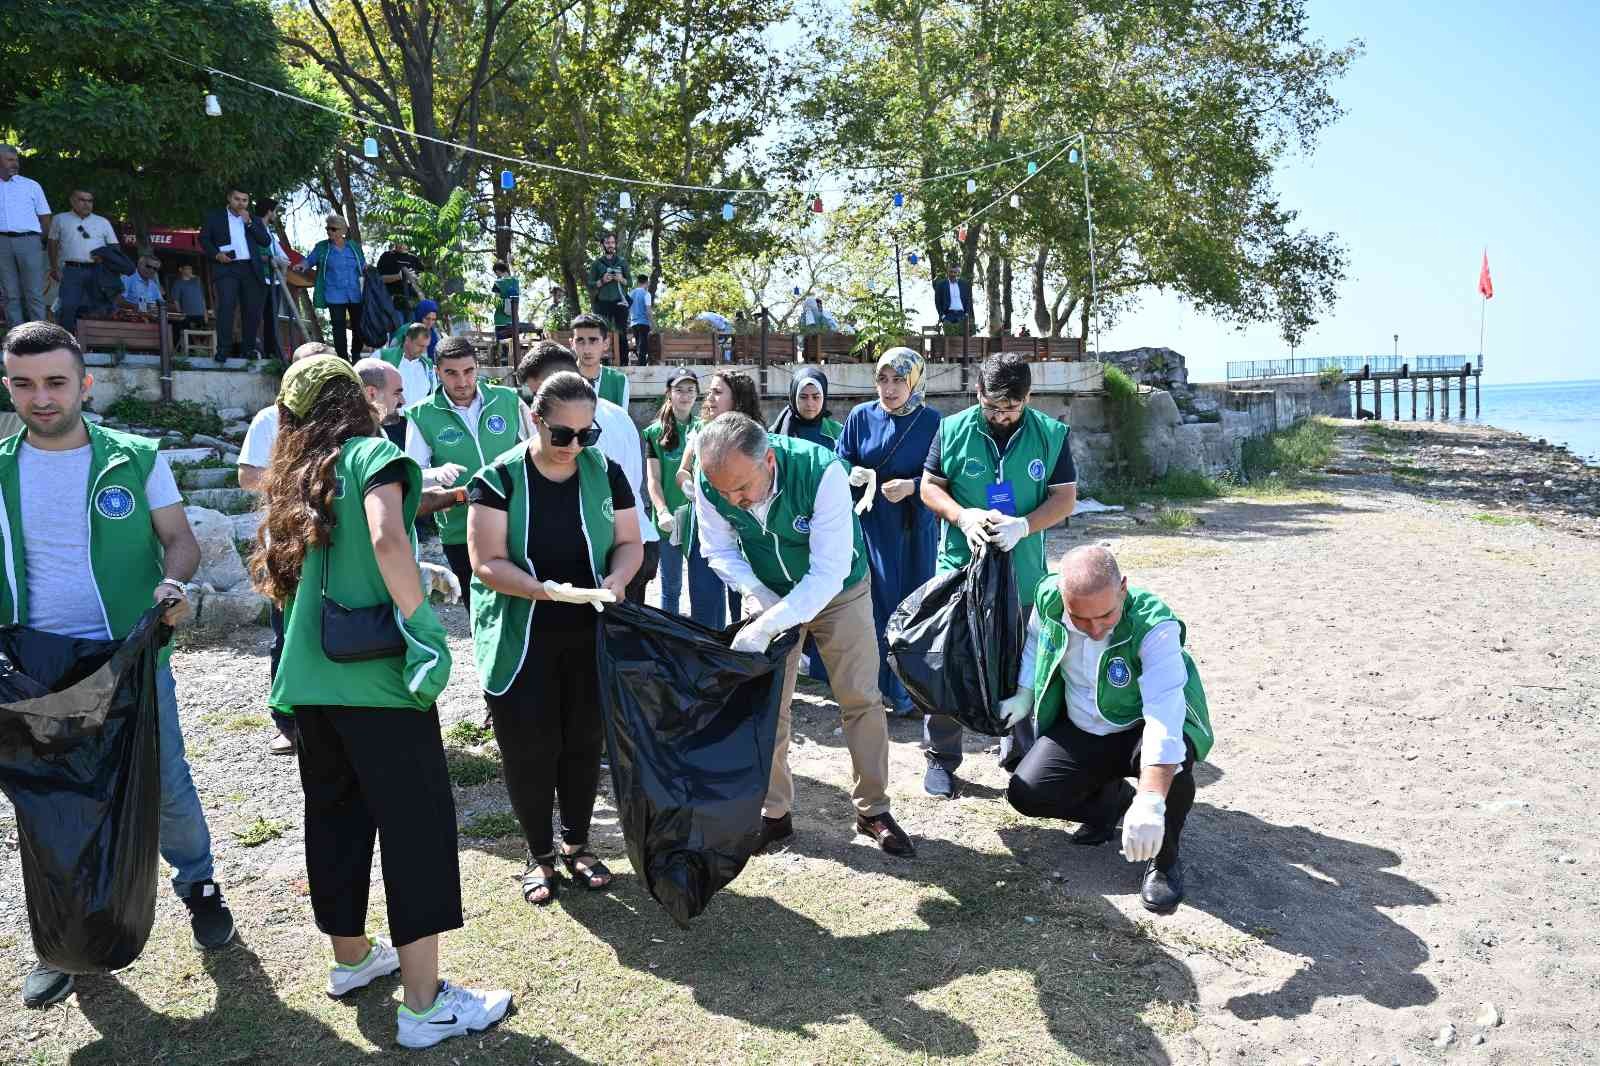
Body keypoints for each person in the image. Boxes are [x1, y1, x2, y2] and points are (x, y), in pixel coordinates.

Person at [251, 355, 511, 1047]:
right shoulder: (374, 452)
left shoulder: (298, 474)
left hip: (309, 683)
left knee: (334, 817)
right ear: (355, 401)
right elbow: (386, 536)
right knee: (416, 828)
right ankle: (425, 1006)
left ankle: (352, 959)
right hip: (377, 682)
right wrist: (423, 622)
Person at [1, 322, 235, 1009]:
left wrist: (175, 586)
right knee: (49, 806)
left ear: (85, 384)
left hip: (126, 659)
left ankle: (200, 887)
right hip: (35, 668)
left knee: (164, 783)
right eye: (23, 383)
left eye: (54, 382)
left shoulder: (133, 457)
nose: (40, 397)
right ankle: (65, 942)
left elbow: (179, 542)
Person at [695, 413, 915, 856]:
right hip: (767, 591)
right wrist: (758, 596)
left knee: (859, 697)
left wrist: (771, 624)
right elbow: (716, 548)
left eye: (741, 488)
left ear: (769, 460)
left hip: (839, 590)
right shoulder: (712, 481)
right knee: (768, 705)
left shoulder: (821, 471)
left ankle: (873, 809)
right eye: (723, 491)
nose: (734, 500)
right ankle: (774, 815)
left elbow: (827, 572)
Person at [467, 369, 642, 905]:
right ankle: (539, 853)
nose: (573, 446)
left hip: (588, 628)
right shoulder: (496, 479)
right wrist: (542, 590)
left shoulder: (605, 471)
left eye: (585, 435)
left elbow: (630, 542)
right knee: (529, 748)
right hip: (523, 632)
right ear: (534, 420)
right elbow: (485, 562)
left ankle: (578, 843)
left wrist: (617, 579)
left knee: (584, 742)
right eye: (561, 434)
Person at [1003, 547, 1214, 913]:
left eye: (1106, 615)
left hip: (1140, 726)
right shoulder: (1048, 596)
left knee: (1174, 766)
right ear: (1063, 598)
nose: (1096, 629)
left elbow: (1164, 714)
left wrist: (1149, 799)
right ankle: (1110, 805)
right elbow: (1037, 642)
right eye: (1081, 619)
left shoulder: (1154, 625)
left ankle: (1164, 861)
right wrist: (1024, 695)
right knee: (1027, 793)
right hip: (1084, 725)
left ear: (1123, 590)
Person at [918, 351, 1077, 796]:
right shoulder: (950, 430)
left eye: (1011, 408)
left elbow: (1064, 498)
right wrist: (961, 516)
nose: (1002, 416)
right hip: (960, 571)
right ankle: (940, 758)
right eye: (992, 407)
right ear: (978, 394)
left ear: (1028, 398)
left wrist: (1024, 525)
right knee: (948, 661)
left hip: (1022, 572)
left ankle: (1020, 753)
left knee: (1021, 660)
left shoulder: (1050, 434)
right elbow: (931, 487)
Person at [239, 342, 336, 755]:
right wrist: (301, 483)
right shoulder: (268, 420)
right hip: (286, 543)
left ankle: (333, 715)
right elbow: (247, 475)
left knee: (337, 626)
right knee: (286, 636)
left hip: (333, 543)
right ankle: (287, 722)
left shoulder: (341, 421)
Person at [836, 346, 941, 717]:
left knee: (915, 606)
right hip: (873, 526)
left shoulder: (932, 422)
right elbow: (842, 457)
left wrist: (913, 486)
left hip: (914, 528)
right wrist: (854, 473)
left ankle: (912, 693)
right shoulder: (860, 416)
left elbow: (945, 474)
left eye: (899, 379)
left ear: (914, 381)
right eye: (883, 378)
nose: (889, 388)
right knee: (874, 606)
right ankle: (879, 689)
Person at [513, 342, 658, 603]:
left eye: (540, 393)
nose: (537, 404)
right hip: (640, 540)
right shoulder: (617, 413)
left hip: (611, 553)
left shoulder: (573, 434)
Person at [404, 336, 526, 616]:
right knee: (481, 608)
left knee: (524, 601)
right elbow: (413, 476)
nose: (462, 381)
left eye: (469, 371)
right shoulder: (422, 414)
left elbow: (533, 451)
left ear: (477, 367)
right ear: (437, 372)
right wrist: (434, 474)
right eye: (451, 373)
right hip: (461, 528)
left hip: (517, 519)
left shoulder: (507, 400)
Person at [676, 370, 762, 629]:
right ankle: (710, 662)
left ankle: (744, 663)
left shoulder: (754, 435)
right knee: (705, 607)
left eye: (717, 392)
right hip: (704, 530)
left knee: (747, 606)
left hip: (746, 529)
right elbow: (682, 470)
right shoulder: (700, 431)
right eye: (710, 391)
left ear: (736, 400)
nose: (709, 397)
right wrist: (688, 485)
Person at [643, 368, 699, 615]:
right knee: (671, 587)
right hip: (670, 521)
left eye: (690, 390)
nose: (685, 396)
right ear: (669, 394)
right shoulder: (655, 433)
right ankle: (671, 639)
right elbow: (653, 480)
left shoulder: (704, 428)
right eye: (679, 390)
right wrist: (662, 511)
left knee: (703, 585)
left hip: (698, 520)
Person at [199, 187, 271, 359]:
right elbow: (204, 239)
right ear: (229, 199)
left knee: (252, 311)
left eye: (244, 200)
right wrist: (216, 254)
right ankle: (223, 350)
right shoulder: (215, 217)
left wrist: (250, 223)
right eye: (237, 199)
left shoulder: (253, 219)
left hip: (250, 269)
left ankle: (248, 350)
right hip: (226, 268)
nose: (241, 203)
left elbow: (265, 241)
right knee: (226, 308)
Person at [293, 214, 367, 361]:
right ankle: (343, 359)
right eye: (328, 229)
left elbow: (363, 265)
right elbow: (309, 260)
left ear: (343, 231)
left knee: (359, 327)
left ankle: (357, 355)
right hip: (334, 294)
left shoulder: (353, 247)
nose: (330, 232)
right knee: (338, 329)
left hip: (355, 293)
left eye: (333, 229)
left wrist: (371, 272)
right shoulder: (322, 247)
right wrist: (301, 266)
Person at [46, 189, 119, 333]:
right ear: (72, 201)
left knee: (99, 306)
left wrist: (106, 259)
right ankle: (66, 342)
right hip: (71, 269)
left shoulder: (102, 222)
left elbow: (114, 246)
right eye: (82, 200)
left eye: (90, 201)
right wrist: (54, 267)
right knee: (68, 306)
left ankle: (96, 345)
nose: (86, 204)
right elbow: (52, 243)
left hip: (98, 269)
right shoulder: (60, 219)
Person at [0, 145, 51, 326]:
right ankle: (17, 337)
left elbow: (45, 217)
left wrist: (39, 241)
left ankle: (38, 336)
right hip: (2, 243)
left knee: (34, 293)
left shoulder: (31, 185)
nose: (16, 164)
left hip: (29, 241)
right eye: (10, 160)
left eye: (16, 160)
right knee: (9, 294)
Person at [254, 198, 292, 361]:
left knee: (272, 319)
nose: (275, 214)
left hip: (275, 282)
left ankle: (271, 352)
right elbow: (258, 254)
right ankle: (253, 349)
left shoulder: (269, 232)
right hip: (261, 279)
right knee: (256, 316)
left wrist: (281, 263)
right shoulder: (255, 229)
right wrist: (275, 260)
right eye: (275, 211)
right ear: (269, 211)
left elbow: (283, 257)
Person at [769, 366, 842, 448]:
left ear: (824, 398)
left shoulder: (838, 432)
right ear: (793, 398)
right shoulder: (776, 433)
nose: (809, 404)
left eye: (816, 397)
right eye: (803, 397)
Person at [570, 312, 629, 408]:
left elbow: (621, 421)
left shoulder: (619, 381)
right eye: (580, 341)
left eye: (593, 341)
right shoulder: (561, 380)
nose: (587, 349)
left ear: (606, 344)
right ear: (572, 344)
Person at [379, 322, 437, 410]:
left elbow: (433, 395)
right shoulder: (382, 356)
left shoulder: (428, 365)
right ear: (407, 340)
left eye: (426, 346)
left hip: (417, 421)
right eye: (419, 345)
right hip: (390, 419)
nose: (423, 350)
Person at [354, 356, 409, 446]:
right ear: (371, 393)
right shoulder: (355, 442)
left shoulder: (377, 433)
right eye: (396, 393)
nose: (403, 401)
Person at [585, 233, 629, 337]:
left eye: (612, 242)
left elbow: (630, 282)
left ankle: (623, 354)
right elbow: (590, 285)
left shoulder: (622, 262)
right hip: (602, 303)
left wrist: (621, 279)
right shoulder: (596, 263)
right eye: (607, 242)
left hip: (620, 302)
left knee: (622, 334)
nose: (610, 245)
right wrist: (602, 280)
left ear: (615, 245)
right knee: (602, 333)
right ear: (602, 245)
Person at [376, 240, 424, 317]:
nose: (401, 244)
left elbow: (423, 281)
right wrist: (398, 277)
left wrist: (415, 278)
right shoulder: (386, 256)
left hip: (412, 304)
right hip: (392, 304)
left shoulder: (414, 259)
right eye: (399, 240)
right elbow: (378, 279)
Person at [170, 264, 207, 345]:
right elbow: (176, 300)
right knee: (189, 337)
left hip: (200, 314)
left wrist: (206, 314)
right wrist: (180, 313)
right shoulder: (178, 283)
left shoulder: (197, 281)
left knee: (203, 336)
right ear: (181, 269)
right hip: (187, 314)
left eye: (190, 269)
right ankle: (191, 352)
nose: (189, 271)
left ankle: (201, 352)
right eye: (187, 269)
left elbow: (202, 298)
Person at [933, 261, 973, 332]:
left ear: (958, 273)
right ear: (948, 272)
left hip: (962, 315)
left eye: (955, 272)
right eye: (951, 272)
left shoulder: (964, 284)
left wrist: (966, 313)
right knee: (948, 340)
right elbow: (937, 302)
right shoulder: (941, 285)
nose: (953, 274)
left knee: (962, 340)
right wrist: (942, 316)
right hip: (948, 315)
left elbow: (968, 300)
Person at [491, 260, 521, 341]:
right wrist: (509, 261)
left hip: (501, 321)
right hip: (514, 322)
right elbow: (513, 272)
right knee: (513, 348)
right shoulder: (515, 281)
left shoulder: (498, 283)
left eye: (495, 273)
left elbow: (497, 303)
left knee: (502, 349)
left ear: (497, 271)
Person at [626, 274, 652, 365]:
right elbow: (648, 311)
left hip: (634, 323)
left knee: (638, 344)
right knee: (643, 345)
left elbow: (627, 308)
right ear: (647, 282)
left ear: (638, 282)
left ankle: (640, 363)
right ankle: (642, 364)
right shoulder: (646, 294)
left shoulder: (631, 294)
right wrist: (652, 323)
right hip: (644, 323)